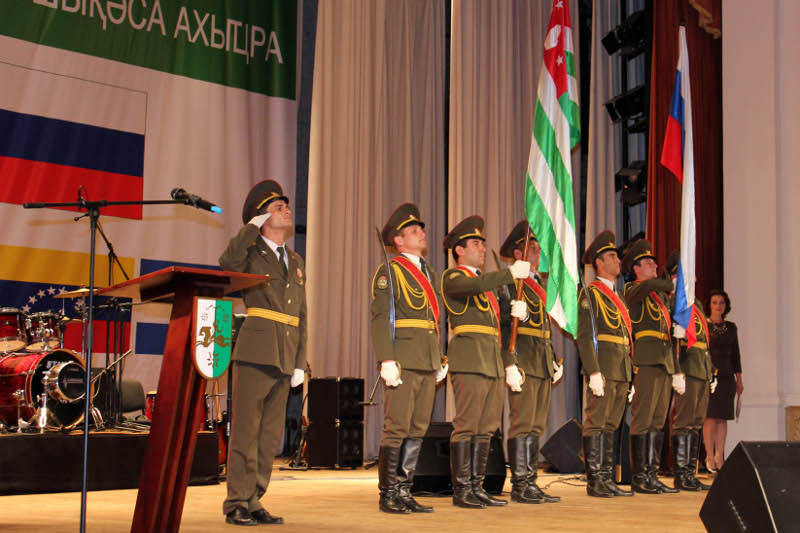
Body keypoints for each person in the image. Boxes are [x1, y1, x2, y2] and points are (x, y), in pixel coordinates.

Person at [219, 180, 307, 526]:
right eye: (278, 208)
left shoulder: (295, 259)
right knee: (246, 430)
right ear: (261, 217)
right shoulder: (251, 252)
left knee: (269, 436)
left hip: (285, 353)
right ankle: (236, 501)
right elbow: (227, 262)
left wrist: (300, 362)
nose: (287, 210)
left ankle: (254, 498)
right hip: (256, 351)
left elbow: (302, 314)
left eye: (286, 206)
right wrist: (250, 229)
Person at [441, 216, 530, 509]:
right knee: (466, 425)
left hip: (491, 360)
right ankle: (462, 489)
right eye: (476, 244)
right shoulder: (453, 278)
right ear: (459, 250)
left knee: (487, 427)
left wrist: (517, 313)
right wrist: (508, 274)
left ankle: (476, 487)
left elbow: (502, 327)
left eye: (483, 243)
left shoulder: (488, 287)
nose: (482, 248)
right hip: (469, 359)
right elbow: (474, 285)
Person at [370, 203, 448, 514]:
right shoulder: (390, 271)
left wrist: (438, 358)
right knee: (397, 427)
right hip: (403, 359)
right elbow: (380, 317)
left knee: (418, 427)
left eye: (421, 230)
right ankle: (388, 493)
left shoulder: (429, 272)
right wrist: (386, 359)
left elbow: (433, 321)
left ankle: (404, 489)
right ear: (399, 240)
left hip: (427, 359)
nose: (422, 234)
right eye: (414, 231)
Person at [498, 220, 563, 504]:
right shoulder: (509, 282)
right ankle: (520, 484)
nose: (538, 252)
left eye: (537, 247)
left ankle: (530, 481)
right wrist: (509, 362)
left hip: (541, 360)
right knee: (521, 423)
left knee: (536, 426)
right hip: (523, 359)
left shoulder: (540, 284)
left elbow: (544, 328)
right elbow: (503, 325)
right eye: (532, 247)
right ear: (518, 253)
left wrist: (553, 358)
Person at [575, 230, 634, 498]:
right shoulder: (591, 294)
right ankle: (595, 480)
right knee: (596, 422)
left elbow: (626, 338)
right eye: (612, 256)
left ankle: (607, 478)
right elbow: (585, 336)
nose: (617, 260)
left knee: (611, 425)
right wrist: (593, 371)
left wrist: (631, 374)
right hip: (604, 368)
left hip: (620, 369)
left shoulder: (619, 296)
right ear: (599, 263)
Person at [621, 240, 681, 495]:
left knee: (658, 421)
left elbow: (667, 334)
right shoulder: (633, 289)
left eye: (655, 263)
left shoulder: (660, 297)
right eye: (648, 263)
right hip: (646, 360)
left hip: (664, 360)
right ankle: (639, 477)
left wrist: (676, 368)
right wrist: (669, 278)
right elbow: (650, 285)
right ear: (636, 268)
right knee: (643, 419)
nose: (654, 265)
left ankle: (651, 474)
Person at [664, 252, 715, 491]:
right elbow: (670, 339)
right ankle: (681, 474)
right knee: (684, 422)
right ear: (676, 277)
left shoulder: (698, 305)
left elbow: (704, 339)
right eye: (686, 274)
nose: (693, 278)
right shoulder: (672, 302)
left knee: (696, 423)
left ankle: (690, 473)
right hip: (687, 368)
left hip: (701, 368)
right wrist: (677, 370)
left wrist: (711, 370)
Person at [703, 289, 742, 472]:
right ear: (709, 305)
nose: (718, 306)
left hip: (727, 377)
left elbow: (736, 355)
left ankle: (720, 456)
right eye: (714, 302)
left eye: (721, 302)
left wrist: (739, 379)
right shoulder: (704, 326)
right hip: (710, 377)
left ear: (726, 306)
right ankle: (709, 457)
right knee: (710, 417)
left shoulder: (731, 327)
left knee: (722, 419)